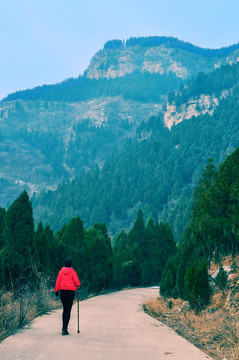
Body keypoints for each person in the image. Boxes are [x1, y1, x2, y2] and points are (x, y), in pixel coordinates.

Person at [55, 258, 81, 335]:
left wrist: (56, 291)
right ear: (71, 264)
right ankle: (65, 329)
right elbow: (77, 282)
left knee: (64, 309)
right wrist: (79, 285)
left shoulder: (60, 272)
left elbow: (58, 282)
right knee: (68, 310)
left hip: (62, 292)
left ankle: (63, 328)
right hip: (70, 293)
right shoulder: (73, 272)